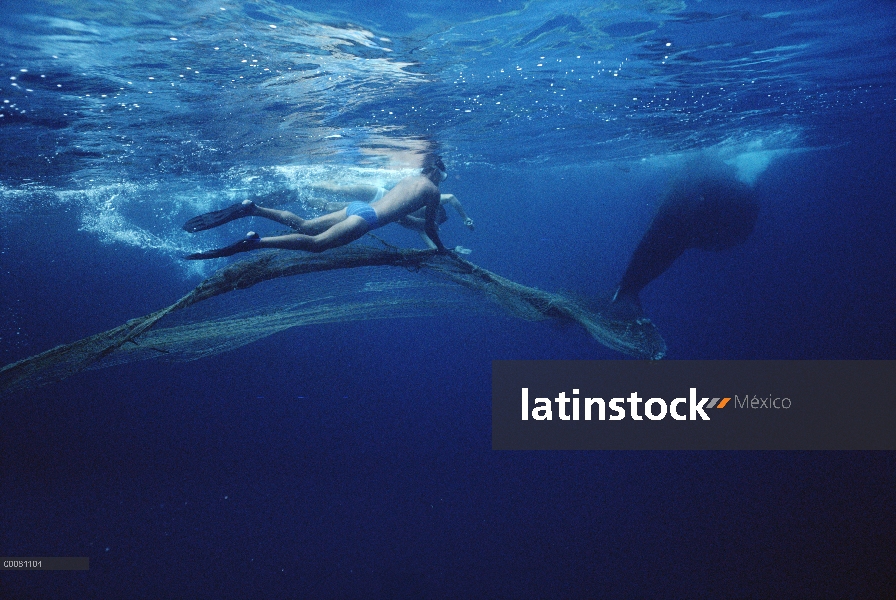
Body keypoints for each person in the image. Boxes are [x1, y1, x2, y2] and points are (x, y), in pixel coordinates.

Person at [183, 157, 450, 259]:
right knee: (316, 244)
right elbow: (428, 226)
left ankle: (254, 208)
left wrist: (421, 227)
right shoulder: (434, 192)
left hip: (360, 208)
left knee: (305, 226)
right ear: (438, 175)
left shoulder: (409, 179)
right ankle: (257, 242)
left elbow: (402, 215)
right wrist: (440, 247)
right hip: (366, 220)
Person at [607, 172, 759, 320]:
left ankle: (625, 292)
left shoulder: (699, 188)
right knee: (672, 242)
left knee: (671, 241)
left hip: (694, 212)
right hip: (697, 216)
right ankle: (625, 292)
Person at [309, 182, 474, 250]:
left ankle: (303, 196)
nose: (433, 215)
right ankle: (309, 184)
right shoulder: (432, 201)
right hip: (377, 194)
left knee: (329, 206)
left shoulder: (424, 223)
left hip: (371, 210)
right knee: (339, 190)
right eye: (436, 214)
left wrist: (448, 250)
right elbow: (451, 198)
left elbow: (431, 244)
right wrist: (465, 218)